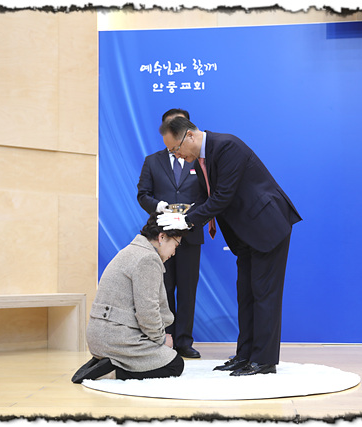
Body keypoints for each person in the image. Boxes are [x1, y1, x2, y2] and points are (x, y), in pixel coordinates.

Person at [157, 117, 302, 376]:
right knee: (245, 294)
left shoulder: (227, 147)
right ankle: (245, 355)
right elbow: (205, 199)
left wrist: (186, 221)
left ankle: (264, 360)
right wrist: (181, 216)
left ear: (190, 136)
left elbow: (222, 196)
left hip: (267, 226)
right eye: (171, 152)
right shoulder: (199, 160)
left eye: (176, 149)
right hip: (245, 233)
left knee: (264, 294)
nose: (176, 155)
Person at [71, 212, 187, 383]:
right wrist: (161, 340)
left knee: (166, 356)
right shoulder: (148, 259)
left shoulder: (132, 251)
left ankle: (106, 362)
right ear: (162, 237)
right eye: (176, 245)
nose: (174, 252)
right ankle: (111, 371)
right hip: (115, 338)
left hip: (102, 336)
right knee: (175, 364)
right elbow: (147, 312)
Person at [136, 108, 206, 359]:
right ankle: (164, 340)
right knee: (162, 289)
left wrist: (192, 215)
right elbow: (143, 194)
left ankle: (184, 341)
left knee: (188, 290)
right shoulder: (152, 161)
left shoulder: (198, 160)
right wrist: (159, 207)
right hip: (161, 237)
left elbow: (208, 195)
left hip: (190, 234)